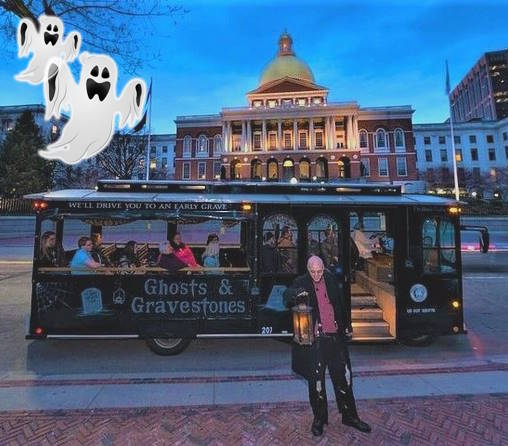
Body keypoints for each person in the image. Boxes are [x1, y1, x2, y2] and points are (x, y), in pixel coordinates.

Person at [283, 256, 371, 436]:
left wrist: (347, 326)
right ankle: (319, 419)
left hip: (335, 338)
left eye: (319, 271)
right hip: (316, 341)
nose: (316, 275)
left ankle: (350, 416)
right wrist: (296, 293)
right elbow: (286, 296)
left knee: (344, 378)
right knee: (317, 383)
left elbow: (340, 304)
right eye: (313, 272)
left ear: (324, 268)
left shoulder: (331, 279)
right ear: (308, 270)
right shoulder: (301, 282)